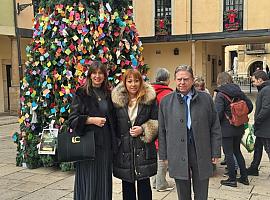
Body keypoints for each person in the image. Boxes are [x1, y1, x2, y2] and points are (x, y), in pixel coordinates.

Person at [158, 64, 222, 200]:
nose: (182, 82)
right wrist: (163, 155)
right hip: (177, 151)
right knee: (183, 193)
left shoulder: (206, 99)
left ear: (192, 80)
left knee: (201, 193)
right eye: (179, 79)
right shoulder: (166, 102)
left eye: (186, 79)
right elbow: (162, 131)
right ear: (175, 80)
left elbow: (215, 126)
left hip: (201, 150)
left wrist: (216, 151)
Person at [68, 61, 115, 200]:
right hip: (88, 145)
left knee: (103, 181)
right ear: (89, 75)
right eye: (94, 73)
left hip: (105, 145)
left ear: (105, 76)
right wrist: (90, 120)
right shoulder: (82, 93)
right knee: (89, 180)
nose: (97, 76)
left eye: (100, 73)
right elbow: (72, 120)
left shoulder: (108, 93)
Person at [111, 69, 158, 200]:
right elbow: (113, 124)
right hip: (124, 149)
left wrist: (143, 129)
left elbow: (157, 121)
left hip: (143, 148)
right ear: (124, 82)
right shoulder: (116, 101)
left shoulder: (150, 99)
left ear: (141, 82)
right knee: (127, 186)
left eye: (136, 81)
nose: (133, 84)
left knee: (144, 185)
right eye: (130, 81)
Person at [214, 72, 253, 187]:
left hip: (226, 129)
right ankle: (244, 177)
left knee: (229, 154)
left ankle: (232, 179)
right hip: (239, 126)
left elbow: (218, 114)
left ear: (219, 80)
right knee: (237, 151)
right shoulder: (239, 91)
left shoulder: (220, 94)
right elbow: (250, 107)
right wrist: (239, 114)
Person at [151, 68, 174, 192]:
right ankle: (160, 183)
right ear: (167, 80)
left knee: (155, 156)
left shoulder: (150, 90)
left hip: (151, 128)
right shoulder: (167, 94)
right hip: (164, 129)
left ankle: (155, 181)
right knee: (163, 157)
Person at [251, 70, 270, 161]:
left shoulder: (266, 90)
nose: (253, 83)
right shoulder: (264, 89)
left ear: (260, 80)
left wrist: (257, 121)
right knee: (258, 147)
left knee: (268, 149)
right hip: (262, 127)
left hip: (265, 127)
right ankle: (254, 167)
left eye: (254, 81)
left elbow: (266, 109)